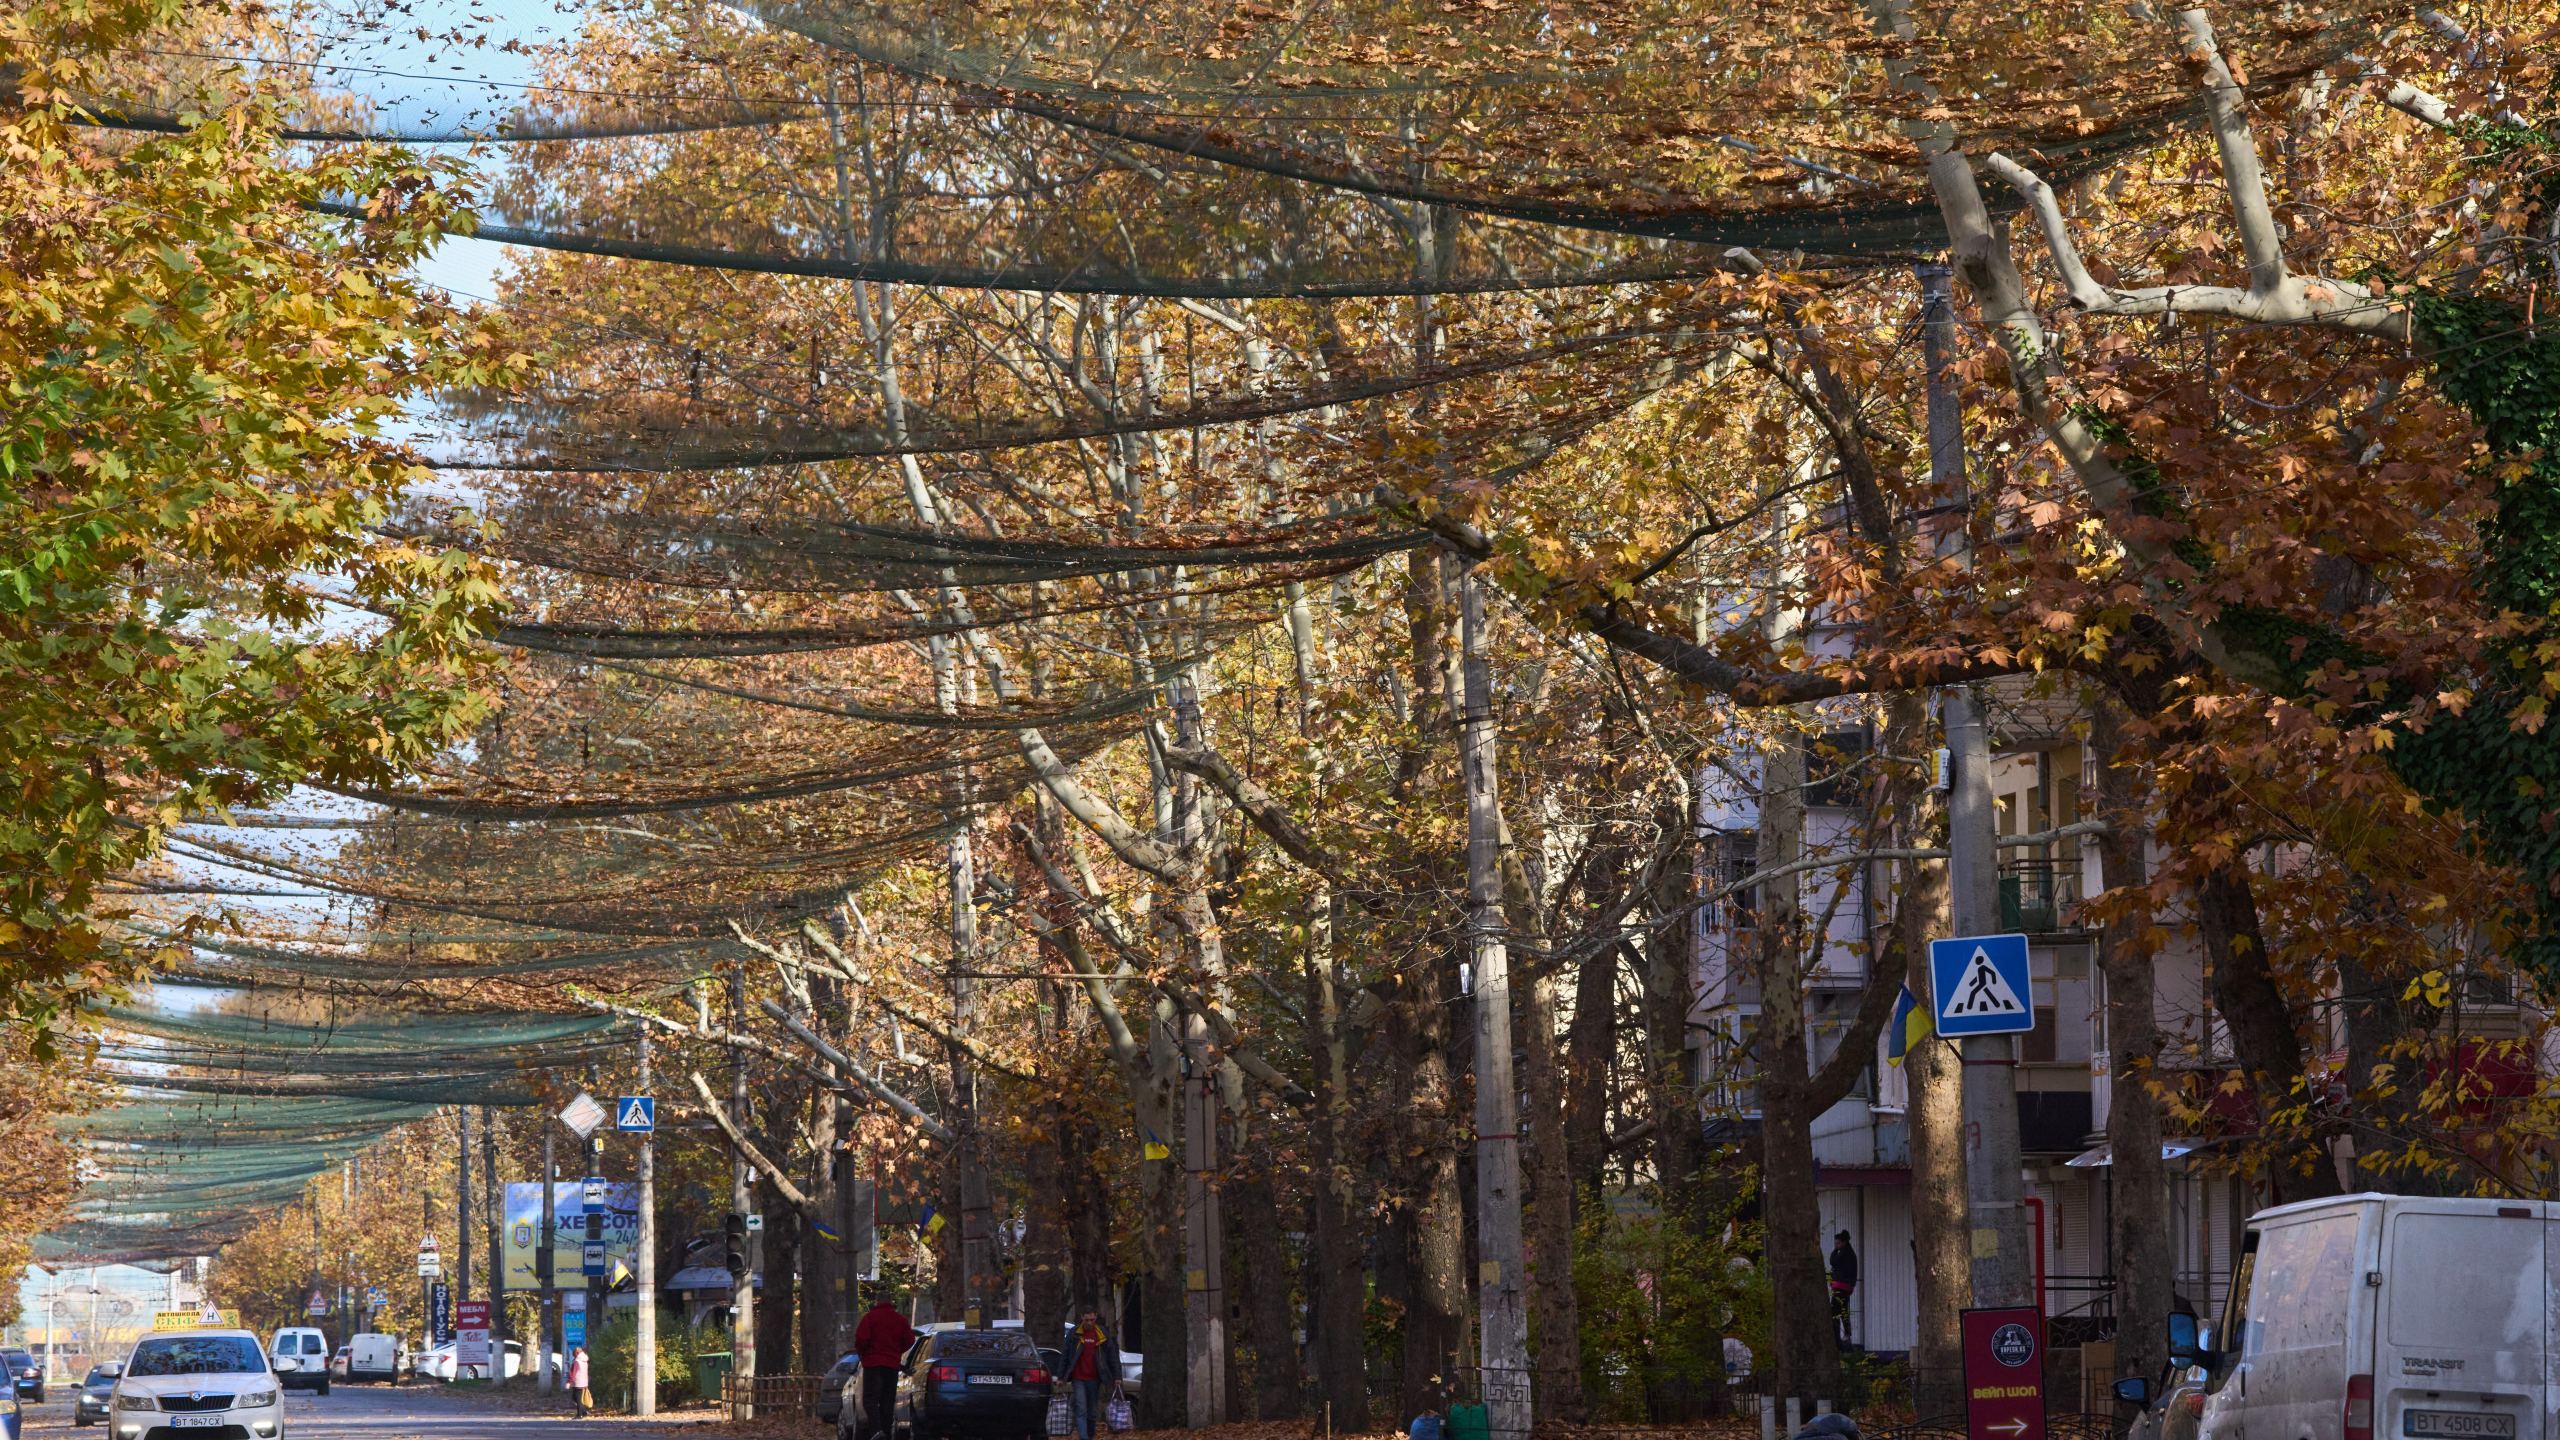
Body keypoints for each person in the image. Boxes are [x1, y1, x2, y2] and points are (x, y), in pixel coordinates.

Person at [852, 1294, 919, 1440]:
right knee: (887, 1400)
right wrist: (896, 1351)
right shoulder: (900, 1320)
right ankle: (886, 1432)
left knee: (870, 1400)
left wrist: (864, 1354)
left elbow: (861, 1339)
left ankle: (876, 1431)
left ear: (877, 1302)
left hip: (873, 1364)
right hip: (892, 1365)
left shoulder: (870, 1318)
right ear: (891, 1303)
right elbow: (909, 1340)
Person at [1063, 1310, 1122, 1440]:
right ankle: (1084, 1437)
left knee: (1092, 1412)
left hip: (1095, 1379)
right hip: (1078, 1378)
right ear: (1081, 1318)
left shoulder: (1101, 1334)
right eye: (1087, 1320)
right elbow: (1066, 1355)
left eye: (1092, 1320)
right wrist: (1061, 1376)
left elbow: (1112, 1356)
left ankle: (1089, 1435)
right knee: (1081, 1409)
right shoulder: (1074, 1334)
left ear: (1095, 1319)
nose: (1089, 1323)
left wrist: (1117, 1376)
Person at [1827, 1230, 1860, 1345]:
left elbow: (1833, 1261)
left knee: (1835, 1311)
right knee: (1844, 1310)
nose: (1836, 1246)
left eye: (1838, 1243)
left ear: (1844, 1242)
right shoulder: (1850, 1253)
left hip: (1840, 1286)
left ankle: (1836, 1336)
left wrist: (1835, 1250)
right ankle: (1847, 1333)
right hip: (1846, 1286)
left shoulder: (1844, 1253)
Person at [567, 1345, 591, 1418]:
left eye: (574, 1353)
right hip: (584, 1381)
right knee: (576, 1398)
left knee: (576, 1398)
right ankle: (583, 1412)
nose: (573, 1355)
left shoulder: (577, 1361)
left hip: (577, 1382)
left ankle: (580, 1414)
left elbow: (573, 1372)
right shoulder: (585, 1360)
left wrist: (569, 1382)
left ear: (577, 1353)